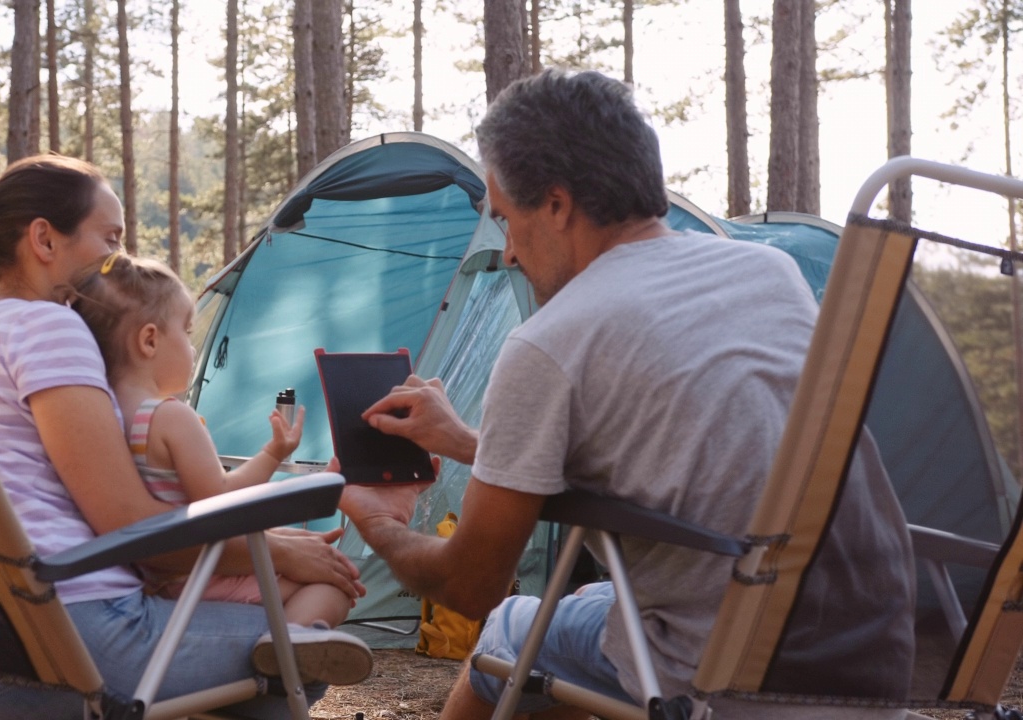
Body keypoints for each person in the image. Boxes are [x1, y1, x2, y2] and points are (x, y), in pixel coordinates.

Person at [338, 69, 915, 720]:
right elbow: (688, 451)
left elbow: (470, 586)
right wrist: (472, 444)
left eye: (505, 220)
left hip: (730, 675)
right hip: (873, 662)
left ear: (556, 205)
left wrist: (376, 520)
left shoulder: (549, 341)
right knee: (585, 607)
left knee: (509, 635)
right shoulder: (767, 271)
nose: (504, 255)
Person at [0, 154, 369, 720]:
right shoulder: (51, 327)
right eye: (110, 238)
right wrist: (275, 551)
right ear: (44, 239)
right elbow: (133, 528)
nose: (118, 258)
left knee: (273, 669)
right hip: (54, 644)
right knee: (297, 663)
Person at [67, 252, 359, 640]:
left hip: (156, 576)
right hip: (204, 573)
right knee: (334, 588)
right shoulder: (172, 417)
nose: (192, 349)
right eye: (186, 333)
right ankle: (288, 649)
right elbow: (220, 500)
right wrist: (272, 457)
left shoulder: (104, 414)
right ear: (150, 340)